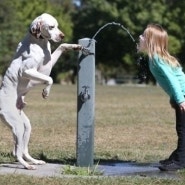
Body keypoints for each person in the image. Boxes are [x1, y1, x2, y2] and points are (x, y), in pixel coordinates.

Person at [137, 24, 185, 171]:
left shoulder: (157, 59)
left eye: (144, 36)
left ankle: (180, 160)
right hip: (181, 96)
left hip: (183, 97)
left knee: (182, 129)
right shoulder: (155, 58)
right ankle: (178, 156)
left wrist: (180, 100)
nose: (140, 37)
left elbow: (173, 80)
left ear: (151, 42)